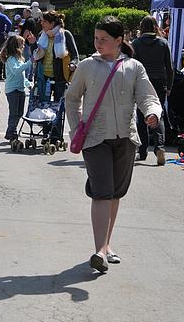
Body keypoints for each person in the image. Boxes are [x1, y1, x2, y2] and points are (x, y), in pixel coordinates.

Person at [65, 16, 161, 274]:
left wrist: (152, 113)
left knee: (115, 193)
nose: (98, 43)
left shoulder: (134, 67)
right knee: (101, 192)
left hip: (126, 138)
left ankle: (107, 245)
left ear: (119, 41)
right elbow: (71, 98)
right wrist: (76, 128)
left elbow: (147, 95)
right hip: (95, 139)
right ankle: (98, 251)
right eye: (96, 38)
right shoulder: (87, 66)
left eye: (104, 39)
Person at [132, 16, 174, 166]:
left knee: (141, 115)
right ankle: (160, 147)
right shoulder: (163, 43)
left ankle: (142, 151)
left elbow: (132, 66)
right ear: (156, 26)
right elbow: (169, 68)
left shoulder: (136, 43)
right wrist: (169, 86)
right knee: (158, 114)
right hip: (160, 82)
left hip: (142, 82)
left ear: (142, 27)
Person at [42, 11, 79, 101]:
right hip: (44, 77)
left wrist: (73, 64)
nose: (41, 23)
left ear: (52, 23)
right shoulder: (42, 35)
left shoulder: (65, 34)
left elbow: (75, 54)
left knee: (58, 106)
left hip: (60, 77)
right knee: (43, 106)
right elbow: (37, 55)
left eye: (44, 21)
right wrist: (32, 44)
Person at [0, 35, 30, 142]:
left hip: (20, 89)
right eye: (21, 44)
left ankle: (10, 131)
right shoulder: (11, 59)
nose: (23, 46)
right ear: (16, 46)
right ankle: (12, 132)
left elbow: (21, 75)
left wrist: (27, 83)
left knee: (20, 113)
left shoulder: (19, 59)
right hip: (12, 90)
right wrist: (30, 62)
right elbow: (16, 71)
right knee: (14, 112)